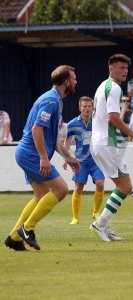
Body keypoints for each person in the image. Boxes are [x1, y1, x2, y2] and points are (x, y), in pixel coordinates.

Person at [4, 65, 80, 251]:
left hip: (26, 152)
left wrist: (68, 156)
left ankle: (14, 238)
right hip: (31, 153)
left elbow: (51, 137)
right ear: (66, 82)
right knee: (61, 189)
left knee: (41, 196)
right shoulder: (51, 101)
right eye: (74, 78)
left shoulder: (55, 100)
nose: (76, 81)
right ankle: (27, 229)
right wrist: (43, 158)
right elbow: (36, 129)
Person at [90, 53, 133, 242]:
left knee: (125, 186)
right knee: (125, 186)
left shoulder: (102, 86)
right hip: (106, 143)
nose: (125, 71)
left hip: (100, 142)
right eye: (121, 68)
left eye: (126, 68)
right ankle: (100, 223)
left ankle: (103, 223)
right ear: (111, 68)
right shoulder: (114, 88)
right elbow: (113, 117)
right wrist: (132, 134)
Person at [64, 96, 105, 225]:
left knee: (100, 183)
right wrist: (67, 157)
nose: (87, 109)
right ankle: (75, 217)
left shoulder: (98, 121)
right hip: (81, 161)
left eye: (89, 106)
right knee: (78, 188)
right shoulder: (72, 124)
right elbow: (67, 142)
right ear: (79, 108)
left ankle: (96, 212)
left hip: (96, 160)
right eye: (84, 106)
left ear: (93, 107)